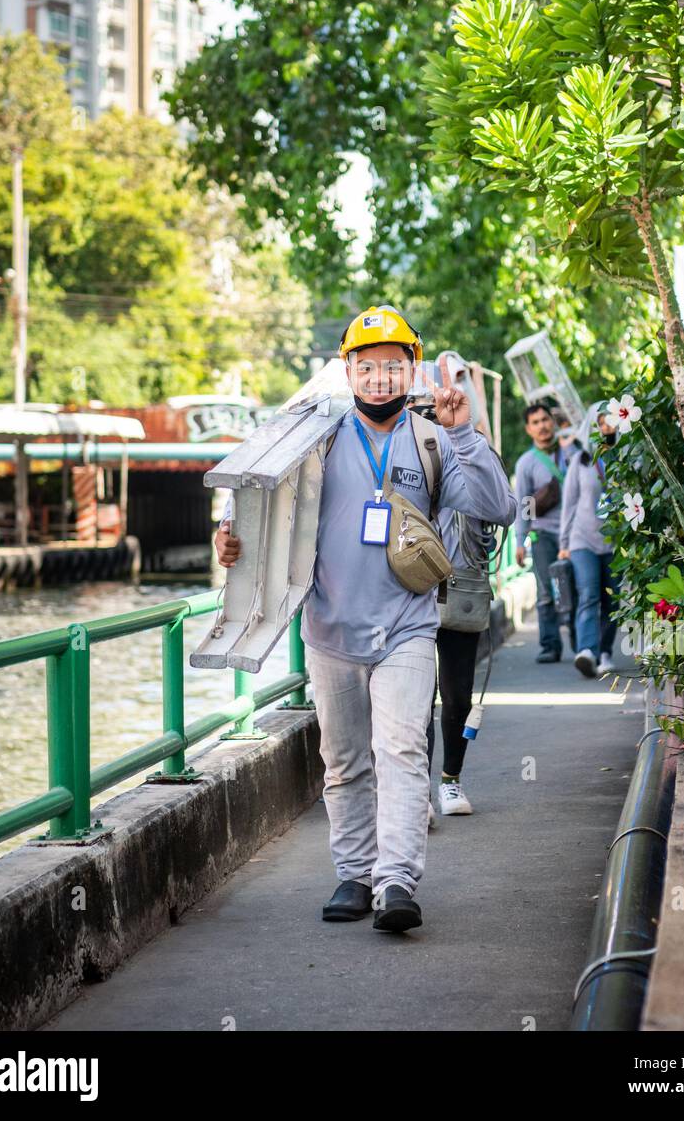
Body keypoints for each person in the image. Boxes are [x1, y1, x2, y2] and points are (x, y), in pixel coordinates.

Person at [215, 305, 514, 933]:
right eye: (367, 366)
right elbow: (259, 509)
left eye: (393, 365)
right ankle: (353, 873)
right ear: (347, 372)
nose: (380, 377)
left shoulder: (434, 440)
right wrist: (230, 543)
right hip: (329, 630)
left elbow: (499, 507)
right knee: (345, 760)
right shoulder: (313, 437)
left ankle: (396, 882)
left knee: (401, 750)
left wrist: (465, 433)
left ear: (413, 369)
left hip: (407, 624)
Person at [411, 354, 512, 821]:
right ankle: (415, 793)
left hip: (464, 584)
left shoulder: (476, 448)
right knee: (413, 695)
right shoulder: (409, 446)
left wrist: (466, 440)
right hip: (411, 588)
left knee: (456, 695)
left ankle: (450, 781)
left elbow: (505, 508)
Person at [558, 402, 622, 679]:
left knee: (612, 600)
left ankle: (605, 651)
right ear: (592, 424)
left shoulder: (625, 458)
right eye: (600, 420)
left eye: (610, 420)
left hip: (615, 542)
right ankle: (586, 651)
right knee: (588, 594)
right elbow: (569, 504)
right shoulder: (580, 461)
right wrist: (564, 544)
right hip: (582, 539)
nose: (605, 425)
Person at [513, 401, 579, 663]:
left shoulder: (570, 452)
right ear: (529, 429)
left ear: (552, 422)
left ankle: (581, 644)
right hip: (543, 535)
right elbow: (525, 505)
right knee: (545, 591)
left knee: (576, 588)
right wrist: (521, 540)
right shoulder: (526, 463)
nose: (542, 426)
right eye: (536, 422)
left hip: (574, 533)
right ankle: (550, 645)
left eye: (545, 420)